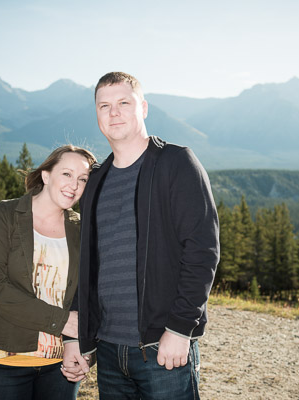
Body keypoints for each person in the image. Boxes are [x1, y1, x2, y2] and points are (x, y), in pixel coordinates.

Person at [62, 72, 219, 399]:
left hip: (162, 348)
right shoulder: (96, 181)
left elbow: (203, 251)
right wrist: (75, 336)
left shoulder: (175, 163)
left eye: (123, 103)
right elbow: (85, 265)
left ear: (143, 108)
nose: (113, 112)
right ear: (97, 115)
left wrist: (180, 328)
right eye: (104, 105)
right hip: (107, 351)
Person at [0, 145, 96, 400]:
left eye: (82, 179)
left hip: (61, 364)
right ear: (46, 175)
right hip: (5, 359)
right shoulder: (4, 215)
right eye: (66, 174)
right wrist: (62, 321)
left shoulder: (82, 229)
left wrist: (82, 347)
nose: (74, 185)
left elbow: (89, 292)